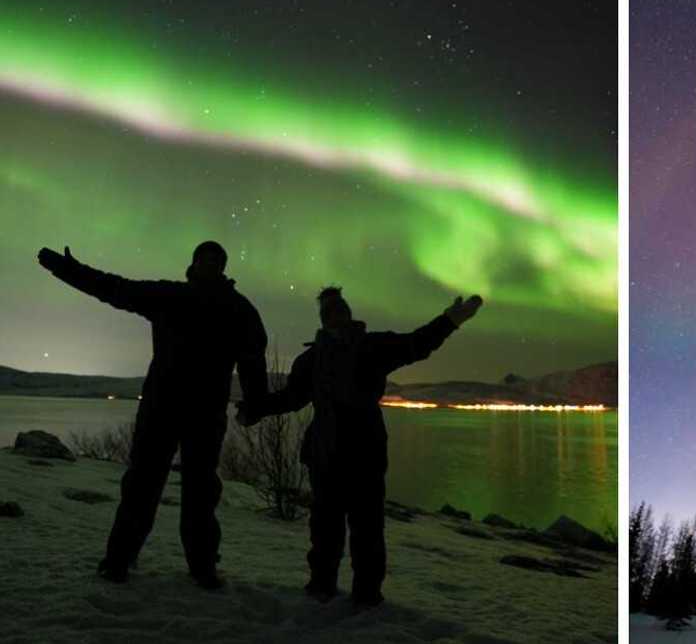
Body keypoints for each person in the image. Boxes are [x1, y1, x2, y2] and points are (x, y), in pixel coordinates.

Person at [37, 241, 268, 588]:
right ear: (193, 264)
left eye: (214, 259)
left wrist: (254, 404)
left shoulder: (238, 310)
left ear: (222, 267)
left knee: (201, 492)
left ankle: (202, 566)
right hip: (162, 408)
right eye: (203, 258)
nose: (208, 264)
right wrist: (68, 269)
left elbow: (253, 360)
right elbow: (113, 288)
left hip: (204, 415)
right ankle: (118, 560)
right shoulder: (171, 296)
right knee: (142, 485)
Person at [236, 286, 482, 608]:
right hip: (325, 455)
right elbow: (291, 399)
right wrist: (253, 410)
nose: (336, 316)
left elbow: (416, 344)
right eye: (329, 313)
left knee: (367, 531)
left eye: (340, 311)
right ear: (323, 320)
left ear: (348, 314)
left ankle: (367, 598)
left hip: (365, 453)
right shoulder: (310, 360)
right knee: (325, 530)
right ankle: (321, 588)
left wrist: (450, 320)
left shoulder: (372, 346)